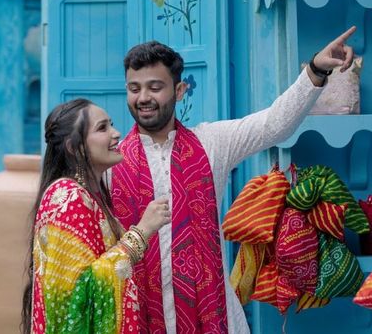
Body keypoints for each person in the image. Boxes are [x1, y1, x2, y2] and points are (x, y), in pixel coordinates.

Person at [110, 27, 357, 333]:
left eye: (154, 87)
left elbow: (273, 125)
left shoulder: (211, 142)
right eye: (134, 89)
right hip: (135, 318)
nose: (143, 98)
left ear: (179, 90)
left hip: (215, 315)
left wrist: (316, 70)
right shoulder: (111, 161)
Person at [21, 98, 171, 334]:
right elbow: (79, 291)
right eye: (102, 128)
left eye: (110, 125)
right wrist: (142, 232)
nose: (116, 133)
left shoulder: (89, 196)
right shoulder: (68, 198)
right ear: (74, 147)